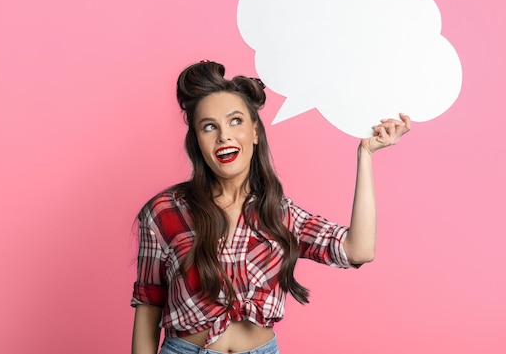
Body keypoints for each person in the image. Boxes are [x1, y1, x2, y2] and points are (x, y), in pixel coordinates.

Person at [131, 61, 410, 354]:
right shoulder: (164, 211)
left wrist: (365, 154)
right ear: (197, 141)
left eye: (235, 121)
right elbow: (149, 305)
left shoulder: (279, 214)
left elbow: (358, 250)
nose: (224, 135)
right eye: (209, 127)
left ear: (255, 132)